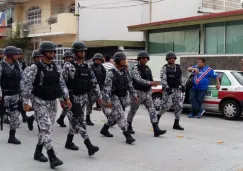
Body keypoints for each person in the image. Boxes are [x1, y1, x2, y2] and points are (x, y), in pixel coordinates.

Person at [21, 41, 71, 169]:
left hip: (52, 101)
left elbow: (61, 84)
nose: (52, 53)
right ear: (43, 53)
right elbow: (27, 84)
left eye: (53, 51)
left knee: (48, 129)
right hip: (39, 100)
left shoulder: (56, 67)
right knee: (46, 127)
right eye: (49, 51)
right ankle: (52, 157)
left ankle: (38, 152)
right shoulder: (35, 67)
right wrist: (26, 102)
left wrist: (66, 98)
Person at [62, 41, 100, 156]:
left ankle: (69, 142)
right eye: (80, 51)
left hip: (84, 97)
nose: (83, 53)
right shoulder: (68, 65)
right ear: (75, 52)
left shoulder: (87, 66)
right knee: (80, 121)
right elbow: (62, 82)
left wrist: (99, 97)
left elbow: (94, 82)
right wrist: (64, 98)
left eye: (84, 51)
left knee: (75, 122)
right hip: (72, 98)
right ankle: (89, 146)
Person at [101, 51, 138, 144]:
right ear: (117, 60)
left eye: (124, 59)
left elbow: (129, 84)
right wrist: (108, 101)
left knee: (114, 114)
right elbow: (106, 88)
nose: (124, 61)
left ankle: (104, 129)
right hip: (113, 96)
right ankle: (127, 135)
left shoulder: (125, 71)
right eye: (122, 59)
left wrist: (134, 95)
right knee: (120, 115)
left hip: (123, 96)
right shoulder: (111, 72)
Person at [127, 51, 167, 137]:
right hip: (137, 92)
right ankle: (129, 126)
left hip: (147, 92)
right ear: (139, 59)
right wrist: (150, 83)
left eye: (146, 58)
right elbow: (138, 79)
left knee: (152, 110)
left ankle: (156, 129)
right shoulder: (135, 68)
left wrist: (150, 86)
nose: (144, 59)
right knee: (133, 110)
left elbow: (150, 78)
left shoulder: (148, 68)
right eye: (142, 58)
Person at [157, 52, 185, 131]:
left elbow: (181, 77)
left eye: (173, 58)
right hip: (168, 90)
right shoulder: (165, 68)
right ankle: (156, 120)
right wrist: (166, 87)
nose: (171, 59)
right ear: (167, 59)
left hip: (177, 89)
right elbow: (163, 78)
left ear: (175, 59)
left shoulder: (178, 67)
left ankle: (176, 123)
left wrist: (183, 85)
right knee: (165, 106)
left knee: (179, 106)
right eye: (170, 58)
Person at [0, 46, 22, 144]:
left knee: (15, 116)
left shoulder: (17, 65)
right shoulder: (1, 66)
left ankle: (12, 137)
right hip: (4, 95)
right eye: (16, 54)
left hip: (15, 94)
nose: (18, 56)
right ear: (10, 55)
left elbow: (22, 79)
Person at [25, 50, 43, 131]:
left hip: (43, 92)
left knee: (40, 110)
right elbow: (26, 81)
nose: (39, 58)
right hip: (34, 92)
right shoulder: (29, 68)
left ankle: (31, 118)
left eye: (40, 57)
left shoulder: (44, 67)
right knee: (38, 110)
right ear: (34, 58)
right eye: (37, 57)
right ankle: (40, 127)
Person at [86, 53, 106, 126]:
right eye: (97, 60)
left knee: (103, 104)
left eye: (99, 60)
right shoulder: (90, 66)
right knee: (89, 104)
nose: (98, 61)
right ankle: (87, 118)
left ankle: (109, 117)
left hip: (99, 88)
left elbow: (104, 77)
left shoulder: (102, 67)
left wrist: (103, 87)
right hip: (91, 89)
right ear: (94, 60)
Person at [56, 51, 74, 128]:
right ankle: (73, 125)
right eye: (67, 58)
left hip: (71, 90)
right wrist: (61, 98)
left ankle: (60, 119)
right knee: (69, 108)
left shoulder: (72, 66)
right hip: (64, 90)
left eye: (70, 57)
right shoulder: (61, 68)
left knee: (68, 107)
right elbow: (61, 83)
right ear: (64, 59)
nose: (69, 59)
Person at [17, 48, 27, 123]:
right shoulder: (13, 63)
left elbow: (26, 73)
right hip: (14, 86)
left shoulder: (23, 63)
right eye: (18, 54)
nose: (20, 56)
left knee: (21, 101)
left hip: (22, 85)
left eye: (21, 54)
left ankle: (24, 116)